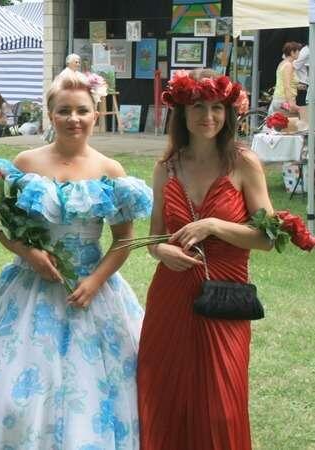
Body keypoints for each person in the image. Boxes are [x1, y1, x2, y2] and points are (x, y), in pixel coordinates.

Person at [0, 69, 152, 449]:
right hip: (29, 288)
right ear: (50, 115)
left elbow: (123, 240)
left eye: (82, 110)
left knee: (98, 389)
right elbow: (1, 224)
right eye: (64, 111)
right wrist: (29, 253)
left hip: (90, 292)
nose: (73, 119)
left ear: (95, 114)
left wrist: (95, 281)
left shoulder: (110, 171)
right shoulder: (26, 163)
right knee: (7, 393)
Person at [137, 69, 273, 450]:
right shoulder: (166, 168)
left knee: (221, 407)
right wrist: (161, 251)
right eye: (198, 106)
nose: (208, 116)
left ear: (228, 113)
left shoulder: (243, 163)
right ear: (182, 112)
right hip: (171, 299)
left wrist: (213, 225)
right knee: (163, 397)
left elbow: (267, 238)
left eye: (217, 107)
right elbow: (155, 237)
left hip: (224, 299)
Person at [268, 41, 302, 114]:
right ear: (292, 52)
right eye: (298, 51)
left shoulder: (282, 63)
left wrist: (299, 86)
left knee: (281, 121)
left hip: (279, 99)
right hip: (284, 101)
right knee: (297, 117)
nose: (299, 53)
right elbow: (287, 86)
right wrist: (291, 103)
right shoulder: (288, 66)